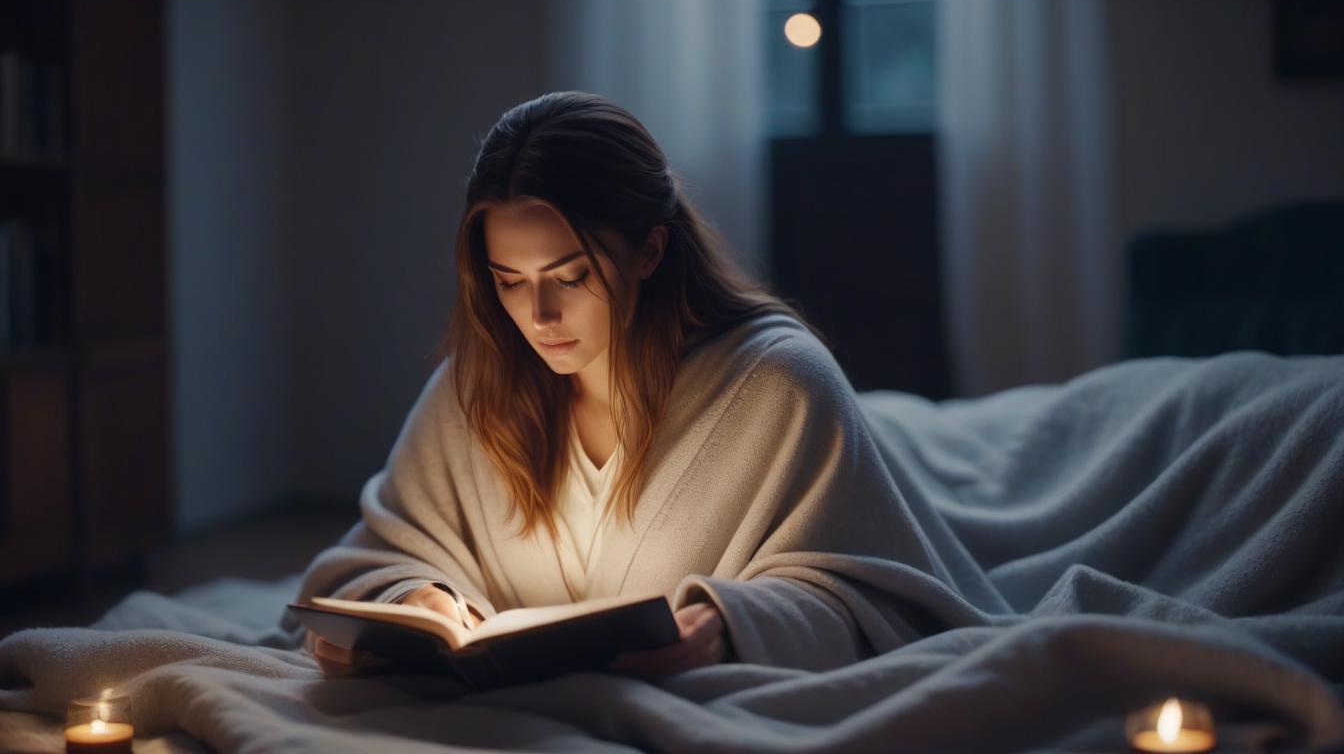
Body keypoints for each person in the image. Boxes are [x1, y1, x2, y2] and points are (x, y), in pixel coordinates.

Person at [295, 90, 978, 681]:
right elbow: (372, 560)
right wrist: (411, 605)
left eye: (569, 277)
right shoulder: (476, 389)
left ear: (650, 250)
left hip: (948, 474)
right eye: (510, 281)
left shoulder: (775, 385)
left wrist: (729, 624)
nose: (539, 317)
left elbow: (885, 591)